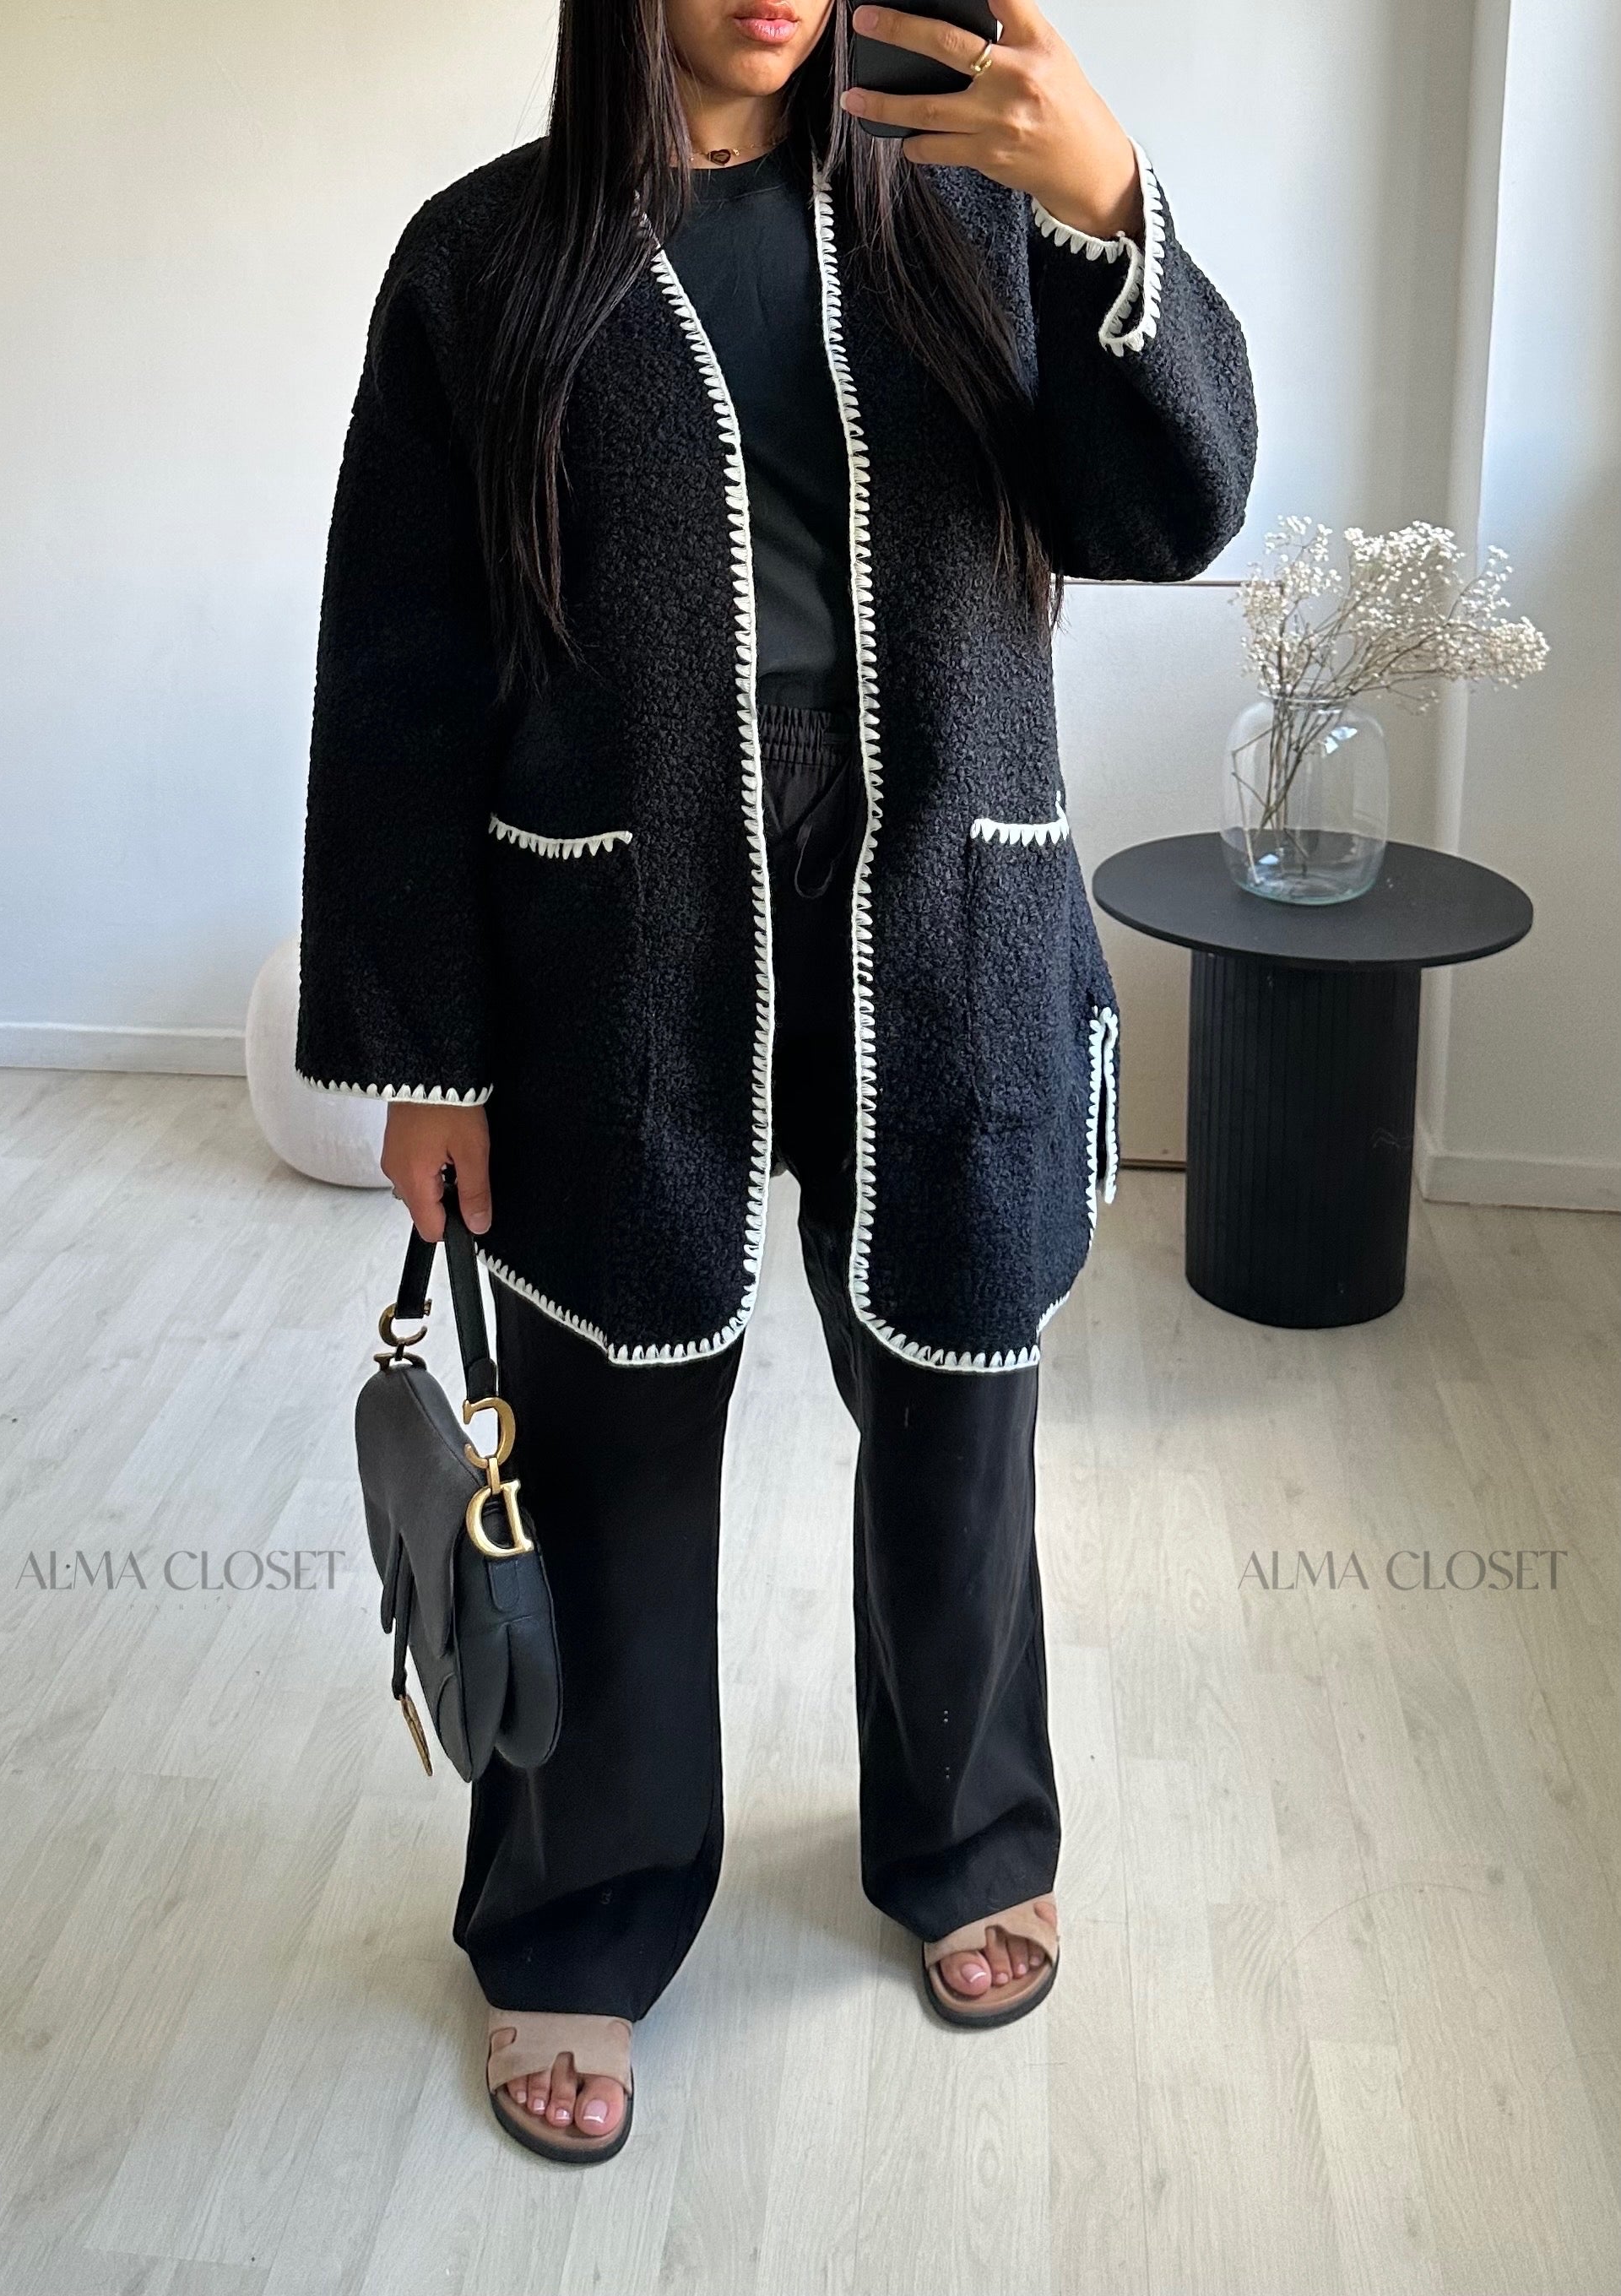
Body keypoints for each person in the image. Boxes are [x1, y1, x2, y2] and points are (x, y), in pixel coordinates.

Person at [296, 0, 1255, 2163]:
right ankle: (581, 1909)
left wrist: (1110, 205)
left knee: (956, 1406)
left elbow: (1170, 510)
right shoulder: (481, 262)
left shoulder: (971, 221)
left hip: (942, 898)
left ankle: (965, 1832)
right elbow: (400, 669)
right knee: (607, 1434)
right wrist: (424, 1050)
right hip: (617, 922)